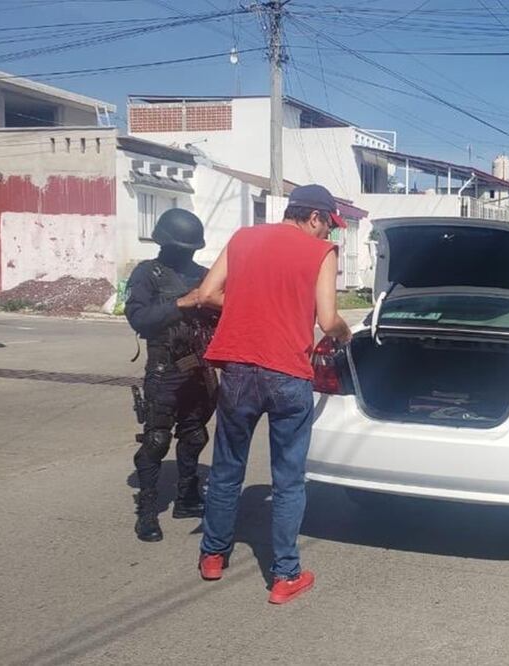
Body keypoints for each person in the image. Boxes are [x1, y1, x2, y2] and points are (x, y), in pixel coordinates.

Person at [196, 184, 351, 605]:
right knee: (288, 478)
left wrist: (249, 307)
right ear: (315, 217)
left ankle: (213, 556)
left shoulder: (244, 237)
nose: (327, 235)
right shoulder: (321, 254)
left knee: (227, 467)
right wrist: (345, 333)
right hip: (287, 373)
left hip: (239, 369)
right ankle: (285, 575)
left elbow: (208, 294)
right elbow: (327, 318)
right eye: (328, 226)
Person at [125, 208, 219, 542]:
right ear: (164, 242)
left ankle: (187, 498)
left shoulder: (207, 276)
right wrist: (181, 304)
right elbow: (139, 319)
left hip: (200, 370)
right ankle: (147, 512)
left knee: (194, 435)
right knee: (156, 440)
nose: (185, 252)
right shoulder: (148, 274)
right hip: (164, 370)